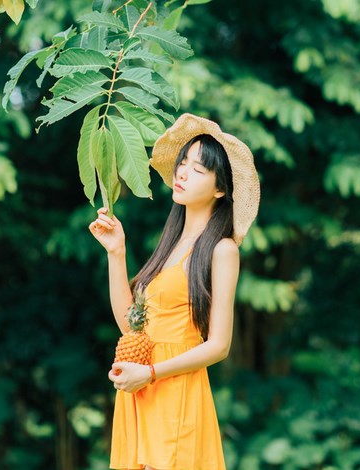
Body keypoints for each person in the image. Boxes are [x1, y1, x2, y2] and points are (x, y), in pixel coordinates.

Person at [88, 113, 260, 470]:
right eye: (183, 163)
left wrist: (151, 374)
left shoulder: (222, 250)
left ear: (220, 189)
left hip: (174, 390)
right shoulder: (169, 245)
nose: (182, 173)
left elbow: (219, 345)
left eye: (198, 169)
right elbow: (130, 327)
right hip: (141, 389)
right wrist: (116, 253)